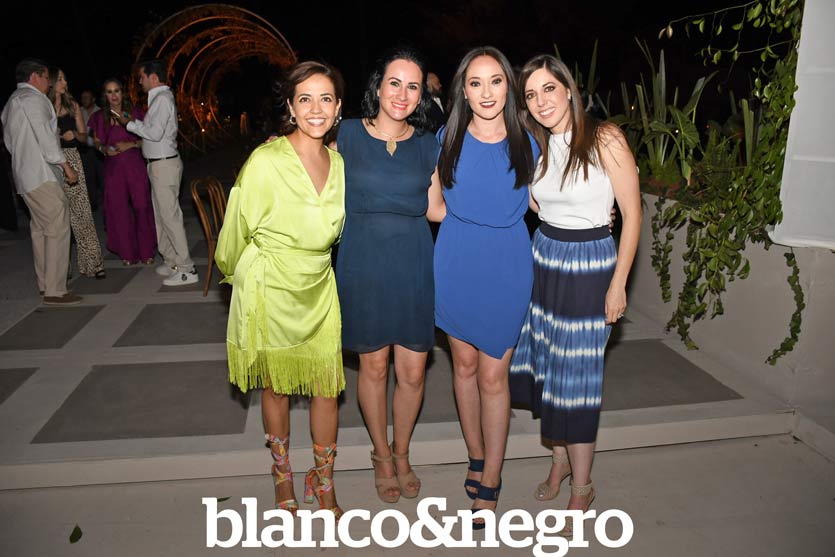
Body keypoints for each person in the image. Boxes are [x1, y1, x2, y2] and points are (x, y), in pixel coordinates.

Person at [509, 55, 641, 536]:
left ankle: (582, 487)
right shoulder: (537, 145)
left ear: (568, 89)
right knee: (550, 370)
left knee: (578, 381)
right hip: (544, 259)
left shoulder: (605, 138)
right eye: (531, 94)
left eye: (549, 89)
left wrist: (618, 282)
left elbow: (632, 215)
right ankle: (560, 462)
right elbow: (534, 202)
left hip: (590, 267)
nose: (541, 101)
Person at [335, 46, 445, 504]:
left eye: (412, 86)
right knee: (375, 365)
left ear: (421, 95)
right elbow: (308, 174)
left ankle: (403, 451)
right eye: (394, 83)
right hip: (363, 261)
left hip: (414, 263)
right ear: (378, 88)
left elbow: (437, 209)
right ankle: (381, 455)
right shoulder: (346, 135)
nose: (402, 93)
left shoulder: (428, 144)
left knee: (414, 370)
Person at [434, 46, 537, 527]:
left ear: (508, 87)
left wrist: (599, 212)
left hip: (506, 265)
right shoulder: (447, 137)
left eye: (496, 81)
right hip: (455, 260)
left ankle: (492, 476)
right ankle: (475, 454)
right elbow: (433, 205)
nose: (487, 92)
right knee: (464, 366)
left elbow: (546, 200)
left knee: (494, 377)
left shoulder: (528, 142)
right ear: (464, 90)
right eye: (475, 83)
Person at [2, 59, 81, 305]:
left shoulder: (11, 102)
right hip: (41, 174)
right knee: (57, 226)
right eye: (47, 77)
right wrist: (66, 166)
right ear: (35, 77)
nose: (49, 83)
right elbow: (45, 138)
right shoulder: (34, 99)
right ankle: (56, 290)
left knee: (40, 230)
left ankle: (45, 285)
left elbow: (9, 143)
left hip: (24, 176)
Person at [115, 59, 197, 286]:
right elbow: (153, 131)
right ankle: (172, 261)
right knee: (161, 217)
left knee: (170, 217)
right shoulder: (158, 99)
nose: (139, 82)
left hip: (164, 165)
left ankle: (187, 268)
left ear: (153, 77)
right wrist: (134, 123)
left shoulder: (162, 99)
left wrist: (129, 124)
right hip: (158, 164)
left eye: (141, 77)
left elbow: (155, 133)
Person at [89, 78, 156, 266]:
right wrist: (104, 149)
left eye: (117, 90)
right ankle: (127, 252)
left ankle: (146, 251)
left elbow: (149, 138)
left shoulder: (135, 113)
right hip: (113, 168)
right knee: (118, 209)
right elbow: (96, 142)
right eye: (109, 92)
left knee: (142, 206)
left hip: (135, 165)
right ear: (105, 95)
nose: (114, 95)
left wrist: (131, 144)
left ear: (122, 92)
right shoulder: (99, 117)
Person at [48, 67, 106, 280]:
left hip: (73, 158)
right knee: (57, 219)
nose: (65, 82)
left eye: (65, 78)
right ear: (51, 81)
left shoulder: (73, 105)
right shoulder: (43, 106)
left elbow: (85, 136)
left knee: (82, 213)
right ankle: (62, 269)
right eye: (60, 79)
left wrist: (75, 135)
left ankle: (94, 263)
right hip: (51, 163)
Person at [79, 89, 103, 210]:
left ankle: (107, 200)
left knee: (102, 175)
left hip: (99, 149)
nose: (84, 100)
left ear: (93, 99)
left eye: (87, 97)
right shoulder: (79, 112)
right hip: (85, 149)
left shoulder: (100, 111)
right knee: (89, 177)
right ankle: (93, 202)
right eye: (83, 97)